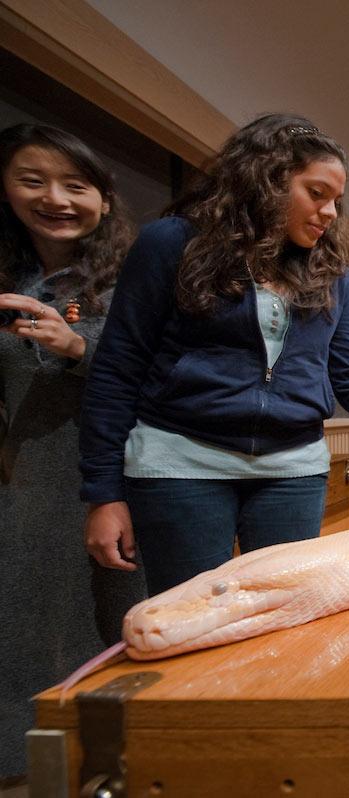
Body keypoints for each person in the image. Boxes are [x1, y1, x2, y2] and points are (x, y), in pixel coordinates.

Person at [79, 114, 349, 597]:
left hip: (292, 470)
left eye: (337, 202)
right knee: (193, 613)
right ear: (267, 180)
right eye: (317, 192)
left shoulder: (335, 277)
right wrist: (103, 493)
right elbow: (117, 369)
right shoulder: (172, 244)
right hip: (182, 463)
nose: (330, 213)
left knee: (285, 610)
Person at [0, 123, 146, 780]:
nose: (54, 197)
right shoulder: (14, 277)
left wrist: (78, 345)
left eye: (74, 184)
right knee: (25, 626)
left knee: (120, 625)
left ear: (104, 198)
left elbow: (164, 380)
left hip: (115, 480)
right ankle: (29, 770)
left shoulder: (137, 278)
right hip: (25, 479)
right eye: (33, 180)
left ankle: (124, 767)